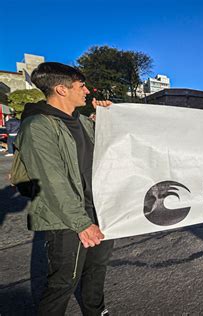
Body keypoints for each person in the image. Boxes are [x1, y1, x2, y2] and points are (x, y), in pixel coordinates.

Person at [14, 62, 113, 316]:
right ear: (61, 89)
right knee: (63, 282)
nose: (88, 92)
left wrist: (109, 119)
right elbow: (51, 181)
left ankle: (96, 310)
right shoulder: (38, 126)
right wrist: (82, 223)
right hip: (66, 219)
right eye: (81, 86)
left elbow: (110, 149)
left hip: (99, 210)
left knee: (97, 269)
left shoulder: (82, 121)